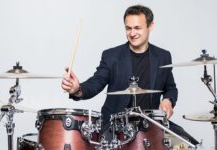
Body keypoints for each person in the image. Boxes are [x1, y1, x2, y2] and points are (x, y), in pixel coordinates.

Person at [61, 4, 199, 145]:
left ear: (150, 26)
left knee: (189, 144)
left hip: (150, 125)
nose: (132, 33)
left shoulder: (163, 56)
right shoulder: (111, 56)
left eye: (137, 28)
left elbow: (170, 87)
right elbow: (96, 82)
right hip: (115, 128)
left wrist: (168, 100)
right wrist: (77, 89)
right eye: (128, 28)